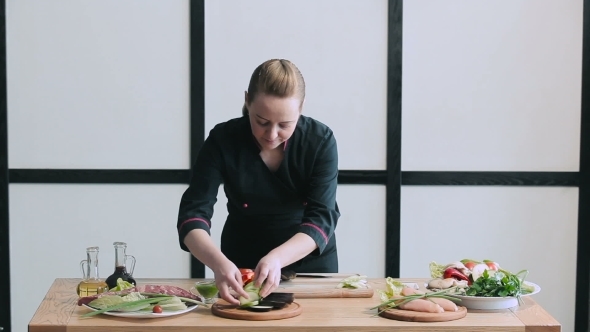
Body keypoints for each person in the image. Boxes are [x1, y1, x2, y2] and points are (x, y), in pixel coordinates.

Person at [176, 59, 340, 305]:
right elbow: (192, 214)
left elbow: (321, 218)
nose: (272, 135)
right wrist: (218, 262)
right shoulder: (223, 139)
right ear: (247, 101)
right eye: (261, 121)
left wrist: (276, 258)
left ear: (301, 107)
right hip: (240, 264)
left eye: (285, 125)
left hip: (309, 262)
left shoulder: (320, 141)